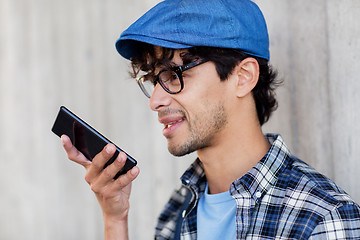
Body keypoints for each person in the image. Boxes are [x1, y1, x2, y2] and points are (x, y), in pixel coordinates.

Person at [61, 0, 360, 239]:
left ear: (243, 77)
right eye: (154, 80)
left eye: (174, 75)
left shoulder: (322, 219)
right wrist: (115, 218)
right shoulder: (178, 209)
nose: (155, 101)